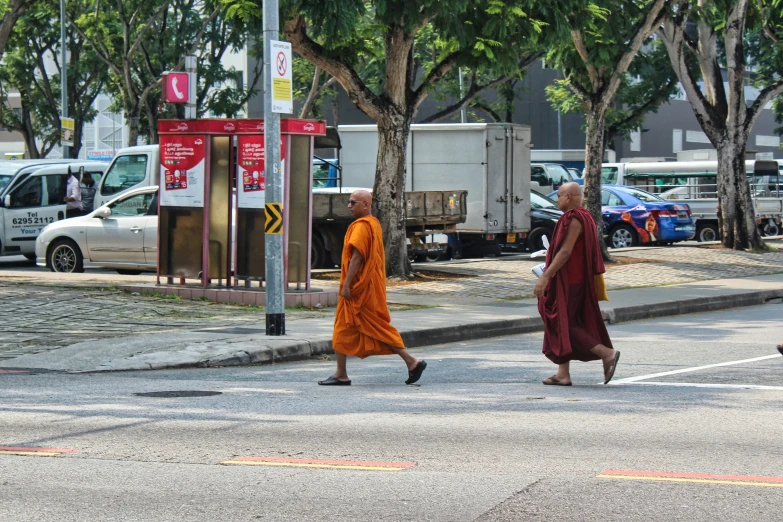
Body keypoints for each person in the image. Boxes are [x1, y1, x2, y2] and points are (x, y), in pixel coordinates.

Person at [318, 189, 427, 386]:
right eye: (349, 202)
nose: (349, 206)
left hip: (358, 289)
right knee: (344, 329)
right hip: (367, 286)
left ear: (366, 204)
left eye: (353, 202)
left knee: (375, 328)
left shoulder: (362, 226)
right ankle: (341, 373)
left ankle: (412, 361)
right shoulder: (373, 224)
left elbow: (357, 258)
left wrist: (347, 285)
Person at [534, 182, 620, 386]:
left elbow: (565, 251)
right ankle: (563, 373)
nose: (556, 200)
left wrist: (546, 277)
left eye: (559, 196)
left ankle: (606, 353)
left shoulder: (573, 218)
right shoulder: (586, 216)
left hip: (569, 280)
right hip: (578, 279)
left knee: (562, 321)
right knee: (563, 320)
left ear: (569, 197)